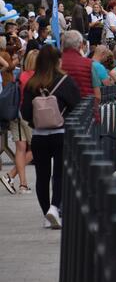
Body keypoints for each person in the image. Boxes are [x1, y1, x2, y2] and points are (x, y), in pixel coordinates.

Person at [20, 45, 81, 229]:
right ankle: (55, 207)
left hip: (39, 135)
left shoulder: (32, 83)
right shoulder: (65, 81)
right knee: (60, 174)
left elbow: (25, 112)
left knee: (42, 176)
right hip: (61, 133)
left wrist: (36, 121)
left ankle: (46, 213)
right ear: (57, 61)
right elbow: (76, 106)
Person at [1, 49, 39, 195]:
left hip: (15, 115)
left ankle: (22, 184)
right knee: (36, 148)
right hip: (27, 116)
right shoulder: (36, 78)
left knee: (20, 149)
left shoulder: (19, 75)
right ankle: (10, 175)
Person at [60, 31, 94, 99]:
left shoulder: (56, 63)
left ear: (63, 44)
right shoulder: (90, 64)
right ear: (81, 45)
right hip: (84, 105)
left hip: (60, 105)